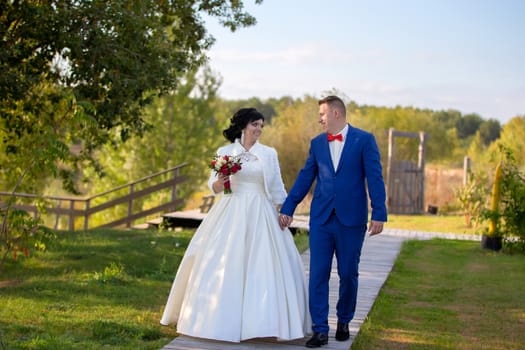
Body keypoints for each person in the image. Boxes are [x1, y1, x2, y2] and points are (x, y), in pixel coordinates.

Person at [160, 107, 311, 342]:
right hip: (231, 209)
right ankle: (218, 320)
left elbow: (277, 187)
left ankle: (264, 322)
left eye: (261, 125)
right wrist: (221, 181)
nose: (259, 129)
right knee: (224, 261)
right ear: (243, 126)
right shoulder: (225, 152)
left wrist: (285, 211)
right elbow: (214, 186)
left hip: (262, 211)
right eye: (255, 125)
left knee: (263, 265)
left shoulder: (269, 154)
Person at [279, 95, 387, 348]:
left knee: (348, 273)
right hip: (322, 219)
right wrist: (289, 207)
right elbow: (306, 176)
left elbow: (375, 177)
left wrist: (379, 212)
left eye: (322, 114)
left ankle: (344, 321)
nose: (319, 119)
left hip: (352, 220)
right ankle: (319, 329)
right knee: (318, 273)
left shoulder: (364, 140)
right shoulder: (317, 143)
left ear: (336, 113)